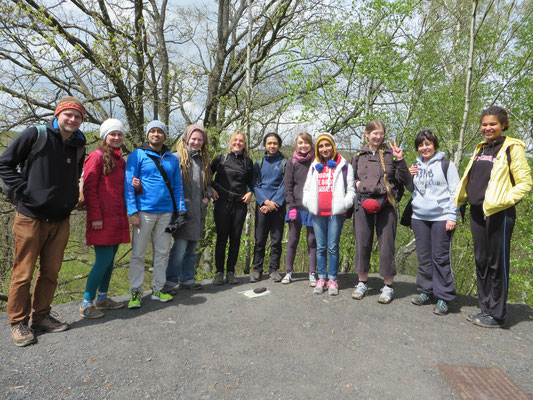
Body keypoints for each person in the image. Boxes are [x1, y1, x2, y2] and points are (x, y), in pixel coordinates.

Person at [0, 96, 86, 347]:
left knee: (51, 272)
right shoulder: (35, 134)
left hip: (60, 218)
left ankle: (41, 317)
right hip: (30, 217)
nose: (72, 119)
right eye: (68, 114)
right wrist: (26, 191)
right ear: (57, 115)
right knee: (23, 272)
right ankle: (18, 322)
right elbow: (4, 163)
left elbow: (75, 174)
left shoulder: (78, 144)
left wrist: (72, 198)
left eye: (77, 116)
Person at [455, 106, 532, 328]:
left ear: (503, 124)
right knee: (482, 261)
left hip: (499, 214)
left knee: (498, 263)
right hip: (477, 212)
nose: (488, 128)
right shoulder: (481, 148)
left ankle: (498, 314)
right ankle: (485, 307)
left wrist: (502, 202)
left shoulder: (512, 148)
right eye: (484, 124)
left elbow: (525, 183)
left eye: (493, 124)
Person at [124, 120, 186, 309]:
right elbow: (128, 184)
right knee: (138, 254)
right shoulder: (138, 154)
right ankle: (136, 291)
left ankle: (158, 289)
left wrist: (181, 209)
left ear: (164, 135)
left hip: (166, 212)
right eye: (153, 131)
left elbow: (177, 186)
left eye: (160, 132)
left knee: (162, 253)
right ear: (148, 134)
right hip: (144, 212)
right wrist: (132, 211)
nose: (156, 135)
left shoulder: (172, 159)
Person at [351, 120, 410, 304]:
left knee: (386, 246)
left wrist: (400, 160)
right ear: (366, 134)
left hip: (386, 205)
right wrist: (357, 184)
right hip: (363, 205)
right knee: (362, 244)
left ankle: (388, 286)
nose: (378, 137)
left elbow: (405, 180)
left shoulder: (391, 155)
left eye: (381, 133)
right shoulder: (358, 155)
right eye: (374, 133)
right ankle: (362, 282)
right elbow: (352, 178)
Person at [79, 119, 131, 319]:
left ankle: (102, 298)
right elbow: (90, 189)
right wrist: (95, 217)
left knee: (110, 261)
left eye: (119, 134)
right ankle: (86, 303)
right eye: (113, 134)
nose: (117, 137)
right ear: (105, 137)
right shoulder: (96, 156)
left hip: (117, 218)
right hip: (101, 218)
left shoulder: (120, 160)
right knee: (103, 260)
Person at [406, 130, 460, 316]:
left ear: (434, 145)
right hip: (419, 217)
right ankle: (425, 291)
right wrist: (408, 176)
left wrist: (452, 216)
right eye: (421, 145)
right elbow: (412, 189)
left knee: (440, 258)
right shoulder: (416, 165)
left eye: (427, 144)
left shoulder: (447, 165)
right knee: (424, 257)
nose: (424, 148)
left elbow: (456, 193)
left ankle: (443, 296)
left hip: (441, 218)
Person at [302, 133, 354, 295]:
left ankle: (333, 279)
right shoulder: (314, 166)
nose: (325, 149)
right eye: (321, 146)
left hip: (335, 213)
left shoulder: (344, 166)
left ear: (333, 146)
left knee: (332, 246)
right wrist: (308, 203)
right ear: (317, 149)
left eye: (327, 145)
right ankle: (321, 278)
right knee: (320, 247)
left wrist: (344, 205)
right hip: (318, 212)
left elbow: (351, 190)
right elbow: (307, 188)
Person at [164, 125, 211, 293]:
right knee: (179, 249)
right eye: (194, 139)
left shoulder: (203, 160)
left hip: (199, 211)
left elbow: (208, 184)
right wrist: (180, 200)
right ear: (186, 139)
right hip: (182, 213)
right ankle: (170, 282)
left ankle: (187, 279)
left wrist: (207, 196)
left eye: (200, 140)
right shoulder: (175, 158)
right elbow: (167, 183)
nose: (196, 142)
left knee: (192, 248)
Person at [210, 131, 253, 285]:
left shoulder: (248, 162)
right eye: (235, 140)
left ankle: (231, 272)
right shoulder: (221, 158)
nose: (238, 143)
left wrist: (250, 192)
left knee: (235, 239)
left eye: (241, 141)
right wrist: (211, 189)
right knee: (222, 239)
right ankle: (219, 272)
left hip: (240, 205)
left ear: (244, 144)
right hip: (222, 203)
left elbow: (253, 182)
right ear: (230, 142)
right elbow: (206, 175)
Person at [282, 132, 317, 286]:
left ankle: (312, 273)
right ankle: (288, 272)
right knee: (293, 239)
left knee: (312, 241)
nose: (303, 145)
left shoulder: (317, 161)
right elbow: (288, 186)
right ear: (296, 145)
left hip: (312, 207)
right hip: (295, 206)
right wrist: (291, 206)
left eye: (306, 142)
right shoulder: (292, 163)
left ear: (311, 144)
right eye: (300, 143)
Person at [250, 132, 286, 282]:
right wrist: (265, 202)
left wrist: (273, 204)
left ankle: (273, 269)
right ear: (265, 145)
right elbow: (254, 185)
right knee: (260, 239)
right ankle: (257, 269)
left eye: (275, 143)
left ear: (279, 145)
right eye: (269, 143)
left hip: (278, 206)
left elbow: (285, 185)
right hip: (262, 206)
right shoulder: (258, 163)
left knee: (276, 239)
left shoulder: (285, 163)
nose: (272, 146)